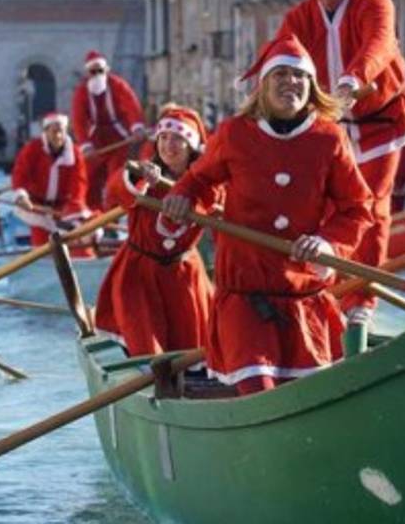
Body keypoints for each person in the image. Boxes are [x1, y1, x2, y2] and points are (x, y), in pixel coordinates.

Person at [161, 35, 374, 396]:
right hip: (244, 298)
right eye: (281, 75)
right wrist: (182, 198)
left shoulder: (330, 138)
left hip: (303, 298)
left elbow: (358, 208)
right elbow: (197, 182)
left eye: (299, 76)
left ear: (311, 86)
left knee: (308, 396)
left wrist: (327, 242)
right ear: (263, 86)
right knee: (258, 389)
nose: (291, 83)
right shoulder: (234, 134)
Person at [268, 0, 405, 331]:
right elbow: (282, 53)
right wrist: (263, 89)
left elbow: (379, 44)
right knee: (330, 207)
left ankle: (363, 296)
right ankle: (328, 288)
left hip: (381, 120)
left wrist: (353, 79)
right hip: (330, 124)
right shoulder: (300, 17)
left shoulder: (374, 2)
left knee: (372, 208)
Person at [96, 106, 215, 356]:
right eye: (164, 138)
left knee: (195, 346)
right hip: (139, 274)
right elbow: (114, 191)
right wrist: (138, 177)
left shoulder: (207, 184)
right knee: (147, 347)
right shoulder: (145, 173)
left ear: (191, 146)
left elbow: (218, 203)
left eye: (178, 139)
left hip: (184, 273)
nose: (168, 145)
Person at [70, 50, 146, 209]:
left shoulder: (117, 84)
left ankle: (113, 216)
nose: (97, 74)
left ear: (106, 70)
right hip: (95, 141)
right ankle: (92, 215)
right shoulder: (81, 91)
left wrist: (137, 127)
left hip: (118, 137)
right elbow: (78, 119)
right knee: (90, 178)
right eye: (93, 71)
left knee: (116, 178)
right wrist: (85, 144)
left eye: (100, 71)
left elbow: (130, 105)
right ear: (88, 73)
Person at [9, 112, 93, 253]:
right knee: (42, 244)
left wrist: (72, 209)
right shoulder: (32, 149)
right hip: (36, 207)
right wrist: (21, 196)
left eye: (61, 131)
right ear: (46, 132)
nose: (58, 136)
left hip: (62, 209)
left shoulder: (75, 154)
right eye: (54, 132)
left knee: (81, 236)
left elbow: (79, 185)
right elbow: (20, 175)